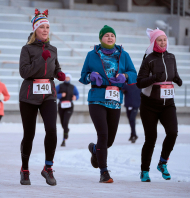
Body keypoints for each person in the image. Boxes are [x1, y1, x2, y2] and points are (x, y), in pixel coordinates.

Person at [79, 25, 137, 183]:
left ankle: (94, 150)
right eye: (106, 35)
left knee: (109, 140)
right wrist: (91, 76)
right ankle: (104, 172)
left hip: (115, 100)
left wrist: (125, 76)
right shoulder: (92, 55)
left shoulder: (123, 55)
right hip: (97, 98)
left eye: (112, 35)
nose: (110, 37)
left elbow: (134, 74)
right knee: (103, 134)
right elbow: (83, 76)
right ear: (101, 38)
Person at [18, 9, 66, 186]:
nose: (46, 30)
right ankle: (24, 169)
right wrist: (41, 60)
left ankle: (48, 167)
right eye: (42, 27)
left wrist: (59, 74)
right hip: (29, 95)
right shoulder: (27, 49)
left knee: (52, 130)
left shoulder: (53, 49)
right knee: (29, 134)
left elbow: (56, 67)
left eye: (47, 27)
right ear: (35, 29)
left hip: (48, 94)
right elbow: (23, 72)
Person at [137, 28, 182, 182]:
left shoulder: (171, 57)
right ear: (154, 42)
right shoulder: (149, 59)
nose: (162, 42)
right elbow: (139, 82)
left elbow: (173, 73)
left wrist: (177, 79)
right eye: (159, 40)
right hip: (149, 104)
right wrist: (154, 78)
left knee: (173, 132)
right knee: (151, 138)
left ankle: (162, 162)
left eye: (164, 39)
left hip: (168, 104)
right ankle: (144, 171)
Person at [56, 73, 79, 147]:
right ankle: (66, 130)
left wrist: (75, 97)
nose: (67, 79)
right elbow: (53, 93)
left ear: (70, 79)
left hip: (69, 107)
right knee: (63, 124)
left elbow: (77, 94)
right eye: (66, 77)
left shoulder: (73, 87)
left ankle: (64, 139)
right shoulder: (59, 86)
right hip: (61, 106)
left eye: (68, 78)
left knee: (65, 123)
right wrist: (60, 95)